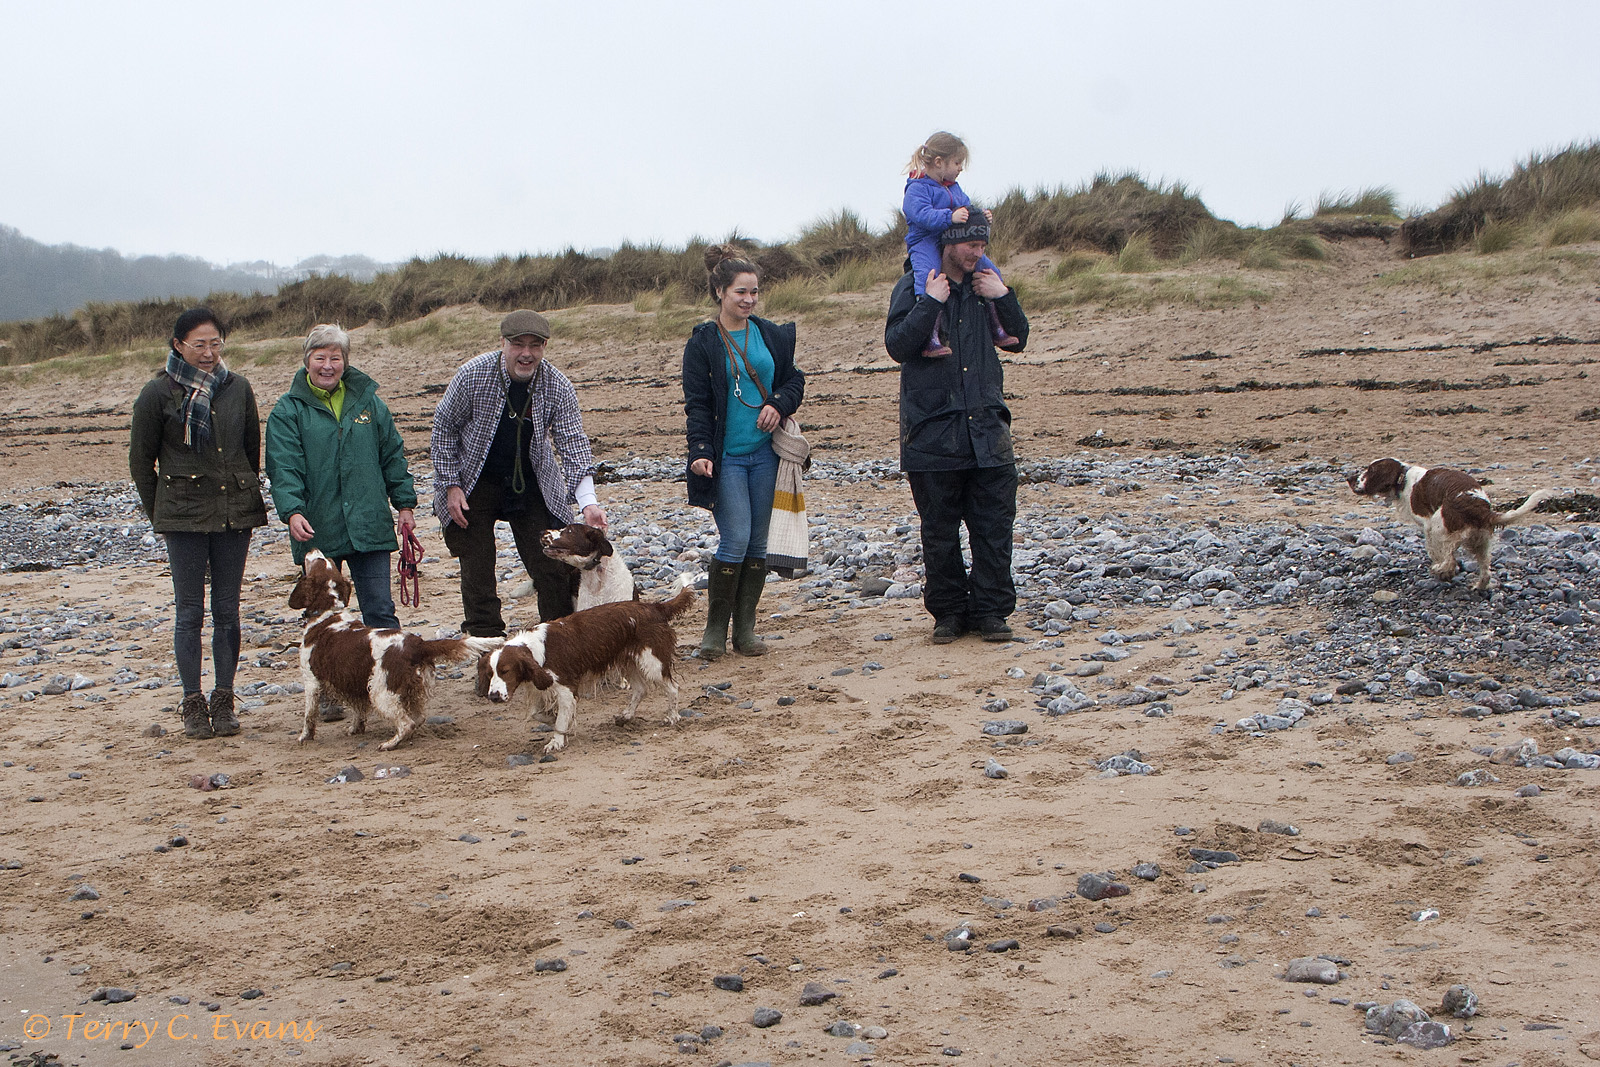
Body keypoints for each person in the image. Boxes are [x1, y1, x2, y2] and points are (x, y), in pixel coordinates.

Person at [884, 212, 1029, 645]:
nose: (978, 253)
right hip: (932, 434)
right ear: (948, 243)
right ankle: (947, 613)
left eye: (983, 246)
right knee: (939, 533)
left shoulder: (987, 285)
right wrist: (930, 302)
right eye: (971, 246)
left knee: (994, 528)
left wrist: (1004, 296)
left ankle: (991, 612)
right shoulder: (915, 285)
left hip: (988, 432)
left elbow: (1019, 338)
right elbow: (898, 345)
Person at [130, 307, 269, 739]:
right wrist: (163, 513)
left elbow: (250, 451)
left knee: (227, 610)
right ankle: (192, 702)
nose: (208, 353)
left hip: (233, 514)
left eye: (215, 344)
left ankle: (224, 699)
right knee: (189, 611)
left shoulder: (237, 388)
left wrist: (242, 494)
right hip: (183, 518)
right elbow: (141, 463)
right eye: (199, 345)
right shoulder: (157, 393)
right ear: (179, 345)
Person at [265, 323, 418, 715]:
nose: (328, 365)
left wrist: (404, 504)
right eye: (320, 357)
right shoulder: (287, 410)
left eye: (336, 357)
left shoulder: (369, 403)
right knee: (325, 616)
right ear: (307, 361)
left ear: (345, 361)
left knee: (379, 610)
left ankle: (396, 682)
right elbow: (283, 468)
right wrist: (292, 511)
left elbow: (392, 456)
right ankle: (333, 692)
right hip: (317, 527)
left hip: (369, 523)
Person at [430, 310, 606, 637]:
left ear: (544, 347)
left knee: (552, 565)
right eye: (518, 345)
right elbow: (443, 429)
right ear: (503, 343)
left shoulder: (558, 385)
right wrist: (451, 485)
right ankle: (485, 638)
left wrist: (588, 503)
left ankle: (558, 638)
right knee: (477, 565)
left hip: (530, 482)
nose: (526, 354)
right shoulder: (472, 375)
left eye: (535, 346)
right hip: (474, 481)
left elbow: (573, 442)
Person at [682, 246, 806, 659]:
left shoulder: (771, 334)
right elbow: (698, 404)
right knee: (735, 538)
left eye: (754, 292)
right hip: (728, 459)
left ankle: (745, 630)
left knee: (758, 543)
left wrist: (778, 404)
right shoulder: (702, 342)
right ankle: (714, 631)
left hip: (766, 455)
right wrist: (700, 451)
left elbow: (794, 381)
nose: (749, 299)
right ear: (720, 291)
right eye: (741, 292)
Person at [902, 131, 1018, 356]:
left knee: (991, 272)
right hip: (925, 241)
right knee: (928, 278)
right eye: (957, 162)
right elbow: (921, 215)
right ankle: (931, 337)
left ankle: (996, 328)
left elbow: (966, 207)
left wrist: (980, 215)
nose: (960, 168)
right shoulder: (917, 187)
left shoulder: (953, 187)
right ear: (939, 162)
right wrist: (949, 217)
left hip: (952, 240)